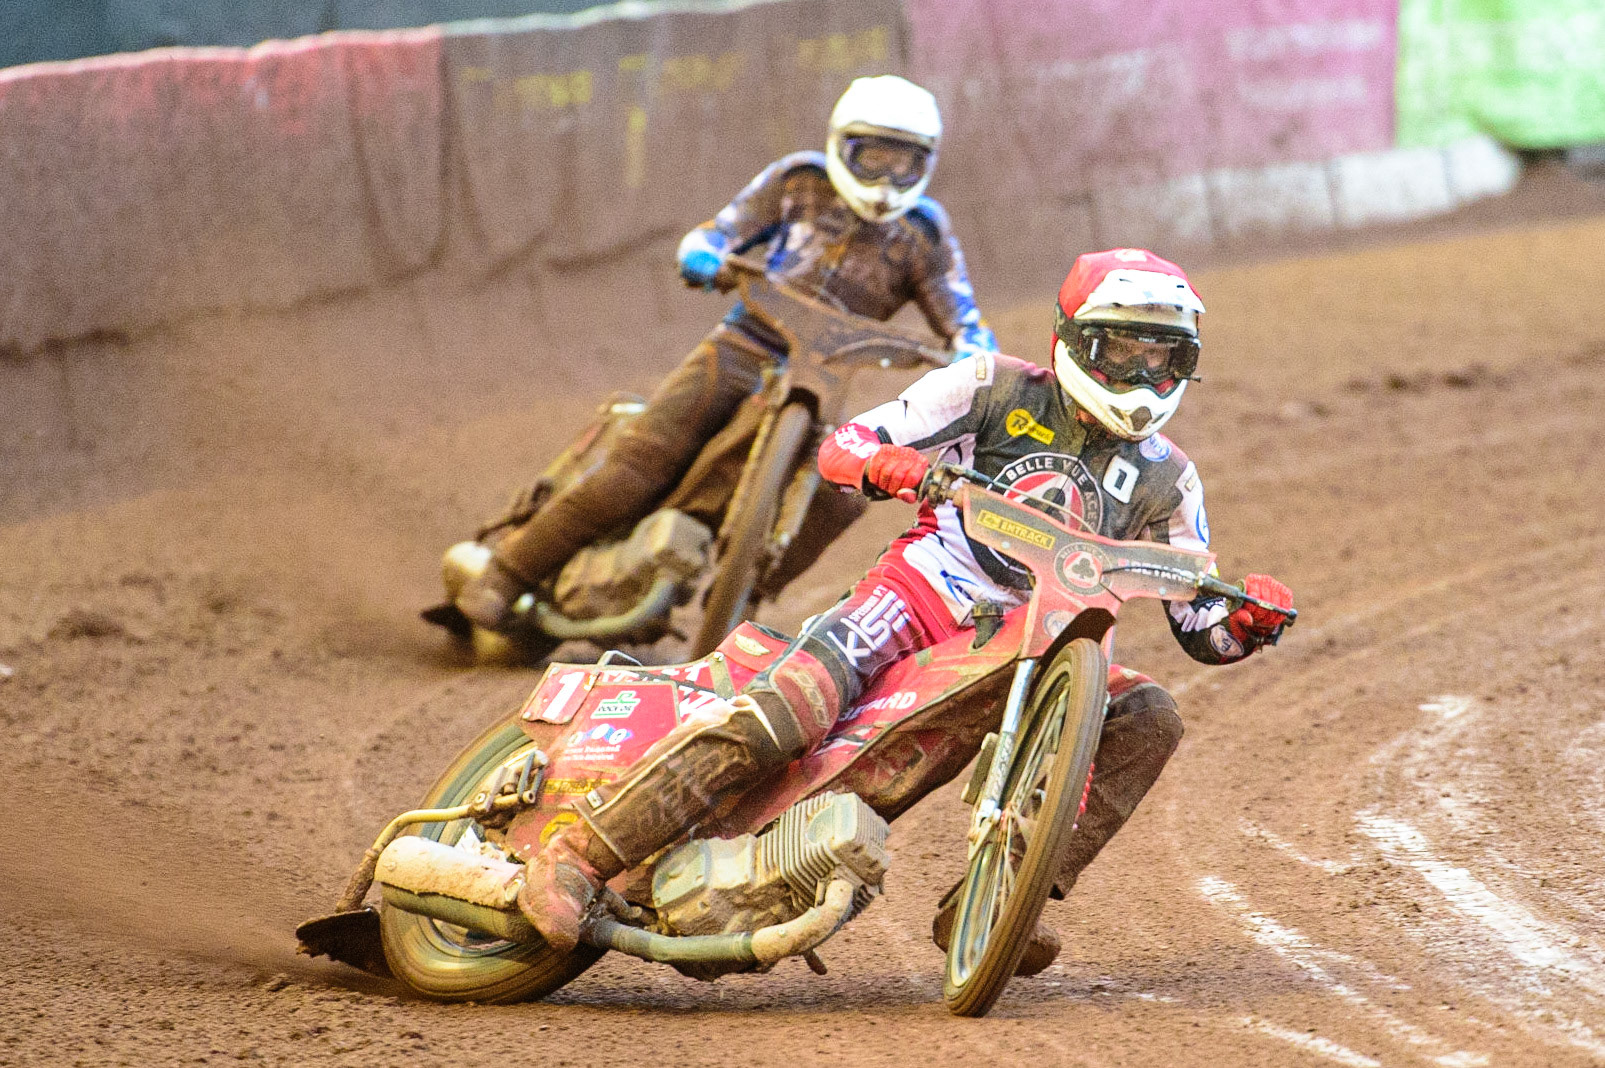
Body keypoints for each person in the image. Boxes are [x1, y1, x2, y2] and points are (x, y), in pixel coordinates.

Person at [518, 247, 1295, 976]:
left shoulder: (1170, 481)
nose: (1142, 374)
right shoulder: (990, 386)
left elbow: (1199, 623)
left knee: (1151, 716)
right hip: (919, 596)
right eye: (1122, 351)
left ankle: (999, 900)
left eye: (1162, 357)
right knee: (789, 710)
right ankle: (576, 855)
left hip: (1045, 642)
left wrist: (1244, 625)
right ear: (1073, 342)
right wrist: (887, 464)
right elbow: (845, 444)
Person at [453, 74, 998, 632]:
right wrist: (705, 252)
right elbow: (723, 228)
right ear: (841, 145)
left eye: (902, 163)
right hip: (744, 345)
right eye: (873, 158)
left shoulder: (924, 233)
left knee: (842, 497)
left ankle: (743, 596)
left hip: (826, 377)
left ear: (926, 164)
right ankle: (506, 575)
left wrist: (974, 350)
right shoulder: (799, 181)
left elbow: (962, 315)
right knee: (642, 462)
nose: (885, 178)